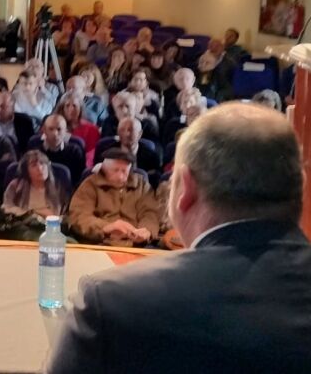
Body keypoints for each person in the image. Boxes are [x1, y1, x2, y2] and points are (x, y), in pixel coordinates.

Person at [49, 103, 311, 374]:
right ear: (301, 186)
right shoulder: (90, 188)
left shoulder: (109, 304)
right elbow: (79, 216)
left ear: (185, 188)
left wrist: (145, 230)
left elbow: (149, 215)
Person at [67, 148, 159, 247]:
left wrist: (146, 231)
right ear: (104, 169)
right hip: (99, 243)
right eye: (115, 170)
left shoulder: (141, 185)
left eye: (124, 171)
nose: (120, 176)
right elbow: (79, 216)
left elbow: (150, 213)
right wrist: (106, 227)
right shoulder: (90, 184)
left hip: (136, 245)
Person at [3, 150, 68, 220]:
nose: (40, 168)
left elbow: (61, 214)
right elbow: (6, 207)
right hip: (24, 223)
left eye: (42, 163)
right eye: (34, 165)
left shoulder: (58, 187)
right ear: (26, 171)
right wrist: (33, 212)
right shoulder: (16, 186)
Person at [34, 114, 85, 188]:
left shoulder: (75, 152)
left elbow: (79, 181)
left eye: (59, 129)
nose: (55, 134)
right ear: (44, 130)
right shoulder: (35, 151)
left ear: (66, 131)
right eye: (51, 129)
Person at [55, 91, 100, 156]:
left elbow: (92, 154)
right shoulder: (52, 125)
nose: (71, 109)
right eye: (67, 105)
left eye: (74, 105)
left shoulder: (91, 129)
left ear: (80, 108)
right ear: (62, 109)